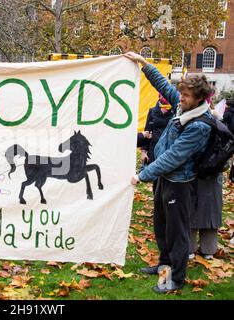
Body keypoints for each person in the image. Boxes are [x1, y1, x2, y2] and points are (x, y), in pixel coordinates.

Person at [126, 51, 213, 293]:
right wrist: (143, 63)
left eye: (185, 95)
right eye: (182, 93)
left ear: (198, 99)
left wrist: (142, 174)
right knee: (161, 225)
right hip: (165, 179)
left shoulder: (198, 125)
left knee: (177, 233)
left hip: (180, 182)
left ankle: (176, 279)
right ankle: (164, 266)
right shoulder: (183, 107)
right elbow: (163, 85)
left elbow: (174, 156)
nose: (181, 98)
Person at [140, 93, 174, 193]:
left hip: (168, 149)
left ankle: (167, 203)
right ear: (159, 97)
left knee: (168, 177)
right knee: (156, 178)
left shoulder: (175, 111)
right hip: (154, 149)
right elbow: (147, 131)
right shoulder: (152, 111)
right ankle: (157, 203)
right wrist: (143, 151)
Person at [222, 99, 234, 183]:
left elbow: (223, 120)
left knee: (226, 151)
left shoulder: (228, 112)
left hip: (229, 135)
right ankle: (232, 176)